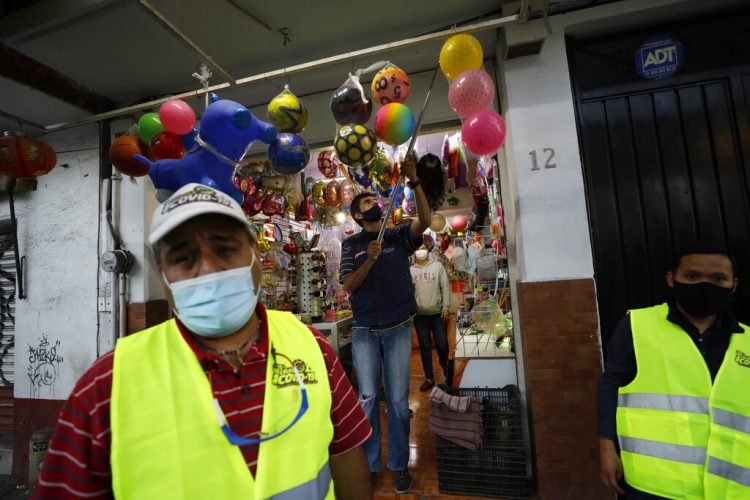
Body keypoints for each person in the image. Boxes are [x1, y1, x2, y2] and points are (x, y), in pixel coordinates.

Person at [35, 183, 372, 499]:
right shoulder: (104, 387)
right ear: (164, 278)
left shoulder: (312, 347)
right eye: (184, 259)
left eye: (225, 249)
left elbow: (345, 453)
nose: (209, 269)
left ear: (256, 256)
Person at [597, 242, 748, 499]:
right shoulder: (637, 325)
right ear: (671, 279)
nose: (704, 285)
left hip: (735, 488)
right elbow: (610, 385)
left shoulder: (746, 340)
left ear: (733, 284)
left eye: (718, 278)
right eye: (692, 276)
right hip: (653, 486)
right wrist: (606, 447)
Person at [339, 153, 431, 493]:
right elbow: (349, 285)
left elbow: (425, 219)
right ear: (358, 215)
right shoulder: (351, 245)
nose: (374, 202)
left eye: (374, 199)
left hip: (397, 328)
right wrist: (369, 261)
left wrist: (415, 181)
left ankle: (399, 465)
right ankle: (370, 463)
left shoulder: (396, 236)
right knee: (366, 399)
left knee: (396, 402)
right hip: (363, 331)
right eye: (367, 201)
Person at [410, 243, 450, 392]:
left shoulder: (438, 266)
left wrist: (446, 307)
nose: (420, 251)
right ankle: (429, 377)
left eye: (423, 248)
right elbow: (409, 292)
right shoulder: (410, 270)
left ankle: (445, 366)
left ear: (428, 250)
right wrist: (410, 312)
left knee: (442, 344)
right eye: (418, 248)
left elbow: (445, 287)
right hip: (420, 316)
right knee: (424, 347)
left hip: (438, 314)